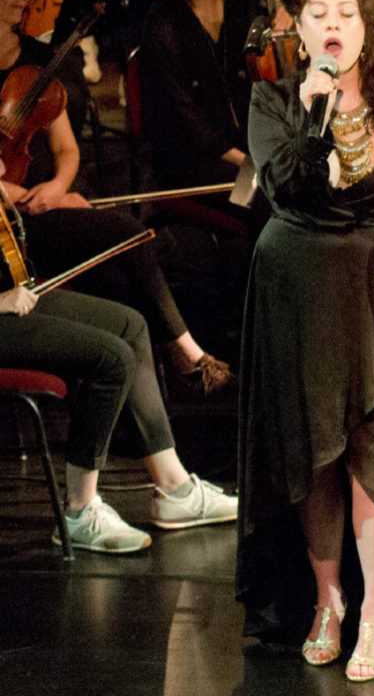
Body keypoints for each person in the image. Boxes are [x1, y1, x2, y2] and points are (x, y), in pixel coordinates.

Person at [235, 0, 374, 681]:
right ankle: (329, 600)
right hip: (295, 288)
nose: (332, 25)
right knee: (313, 451)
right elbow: (286, 185)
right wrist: (316, 116)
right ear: (297, 29)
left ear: (367, 26)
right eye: (318, 14)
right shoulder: (274, 101)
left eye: (345, 14)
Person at [0, 0, 233, 394]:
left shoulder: (36, 63)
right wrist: (18, 195)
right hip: (8, 230)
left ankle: (142, 435)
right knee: (128, 232)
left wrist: (55, 187)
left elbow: (67, 151)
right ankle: (187, 350)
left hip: (44, 210)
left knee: (120, 283)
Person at [0, 173, 237, 554]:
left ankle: (174, 488)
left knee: (130, 324)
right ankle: (79, 512)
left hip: (10, 295)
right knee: (110, 359)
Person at [140, 0, 260, 191]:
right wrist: (248, 163)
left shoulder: (240, 0)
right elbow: (187, 121)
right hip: (197, 161)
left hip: (249, 146)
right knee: (270, 201)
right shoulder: (163, 25)